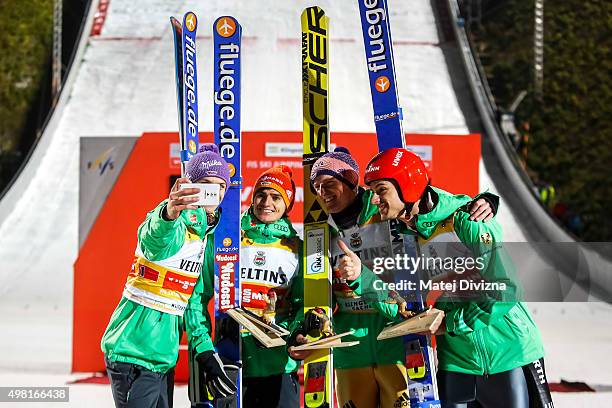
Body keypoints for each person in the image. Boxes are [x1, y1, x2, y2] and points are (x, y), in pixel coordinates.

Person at [288, 147, 498, 408]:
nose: (323, 192)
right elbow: (311, 291)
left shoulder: (390, 212)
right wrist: (300, 330)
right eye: (316, 187)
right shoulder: (320, 233)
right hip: (351, 350)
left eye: (330, 183)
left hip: (396, 343)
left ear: (352, 181)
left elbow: (432, 206)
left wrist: (483, 201)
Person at [363, 147, 553, 408]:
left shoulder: (466, 220)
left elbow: (506, 290)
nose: (374, 199)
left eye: (380, 190)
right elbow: (398, 301)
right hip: (456, 360)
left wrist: (451, 323)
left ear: (407, 186)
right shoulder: (405, 237)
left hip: (509, 353)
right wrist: (360, 279)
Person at [101, 144, 232, 408]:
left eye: (219, 187)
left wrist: (205, 350)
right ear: (190, 186)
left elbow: (193, 302)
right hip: (132, 350)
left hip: (163, 357)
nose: (212, 192)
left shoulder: (206, 238)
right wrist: (169, 212)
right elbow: (153, 239)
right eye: (204, 184)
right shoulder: (174, 222)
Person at [188, 165, 303, 408]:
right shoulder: (227, 239)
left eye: (276, 196)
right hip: (231, 363)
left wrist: (290, 331)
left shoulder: (296, 249)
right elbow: (196, 297)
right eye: (261, 194)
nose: (266, 202)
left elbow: (304, 304)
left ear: (287, 204)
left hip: (278, 366)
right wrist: (204, 348)